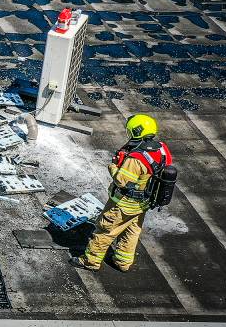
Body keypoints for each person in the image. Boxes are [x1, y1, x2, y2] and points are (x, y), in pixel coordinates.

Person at [71, 114, 173, 272]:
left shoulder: (136, 159)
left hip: (123, 203)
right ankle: (123, 262)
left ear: (136, 131)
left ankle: (90, 261)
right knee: (132, 231)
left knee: (106, 230)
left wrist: (113, 166)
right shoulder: (161, 149)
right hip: (143, 202)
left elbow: (122, 181)